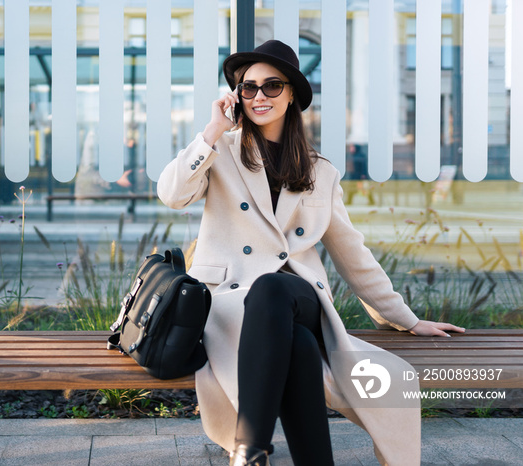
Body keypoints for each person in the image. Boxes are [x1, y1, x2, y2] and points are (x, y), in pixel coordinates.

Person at [157, 40, 465, 466]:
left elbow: (351, 253)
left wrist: (405, 319)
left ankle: (249, 450)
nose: (259, 96)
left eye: (272, 86)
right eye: (248, 88)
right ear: (236, 97)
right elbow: (172, 194)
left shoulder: (320, 172)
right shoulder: (218, 152)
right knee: (300, 348)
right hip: (230, 305)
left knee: (273, 287)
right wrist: (212, 130)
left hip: (294, 298)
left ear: (292, 95)